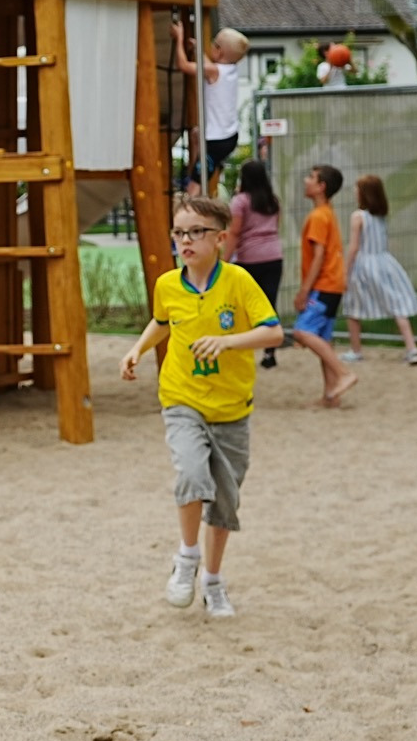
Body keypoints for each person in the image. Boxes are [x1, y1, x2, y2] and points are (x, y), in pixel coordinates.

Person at [119, 196, 284, 618]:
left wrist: (228, 342)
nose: (185, 241)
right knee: (191, 474)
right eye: (179, 233)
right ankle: (186, 557)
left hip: (232, 407)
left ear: (221, 239)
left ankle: (212, 580)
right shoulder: (168, 285)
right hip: (181, 398)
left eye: (196, 232)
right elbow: (161, 321)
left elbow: (274, 333)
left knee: (225, 504)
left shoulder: (239, 281)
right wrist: (137, 349)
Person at [292, 164, 357, 407]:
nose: (305, 180)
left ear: (321, 187)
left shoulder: (318, 216)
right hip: (333, 285)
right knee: (323, 338)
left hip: (323, 284)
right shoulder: (327, 212)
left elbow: (318, 255)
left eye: (311, 177)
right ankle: (331, 395)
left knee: (302, 332)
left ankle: (343, 373)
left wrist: (304, 291)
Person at [341, 174, 417, 365]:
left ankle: (356, 350)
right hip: (385, 263)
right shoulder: (380, 215)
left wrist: (345, 271)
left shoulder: (358, 216)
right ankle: (412, 348)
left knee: (353, 306)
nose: (354, 192)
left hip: (364, 265)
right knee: (396, 304)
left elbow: (353, 247)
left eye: (357, 189)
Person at [171, 23, 250, 195]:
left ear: (219, 51)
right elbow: (209, 66)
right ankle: (196, 198)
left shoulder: (214, 71)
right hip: (228, 135)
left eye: (214, 44)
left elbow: (184, 65)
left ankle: (188, 209)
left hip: (216, 140)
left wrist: (179, 38)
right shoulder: (230, 70)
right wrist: (198, 49)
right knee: (196, 139)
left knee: (195, 182)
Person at [227, 160, 284, 370]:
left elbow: (234, 232)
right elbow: (275, 227)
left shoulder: (240, 201)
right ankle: (270, 351)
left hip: (249, 258)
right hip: (273, 256)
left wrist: (224, 258)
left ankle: (243, 345)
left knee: (243, 306)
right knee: (269, 302)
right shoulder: (273, 201)